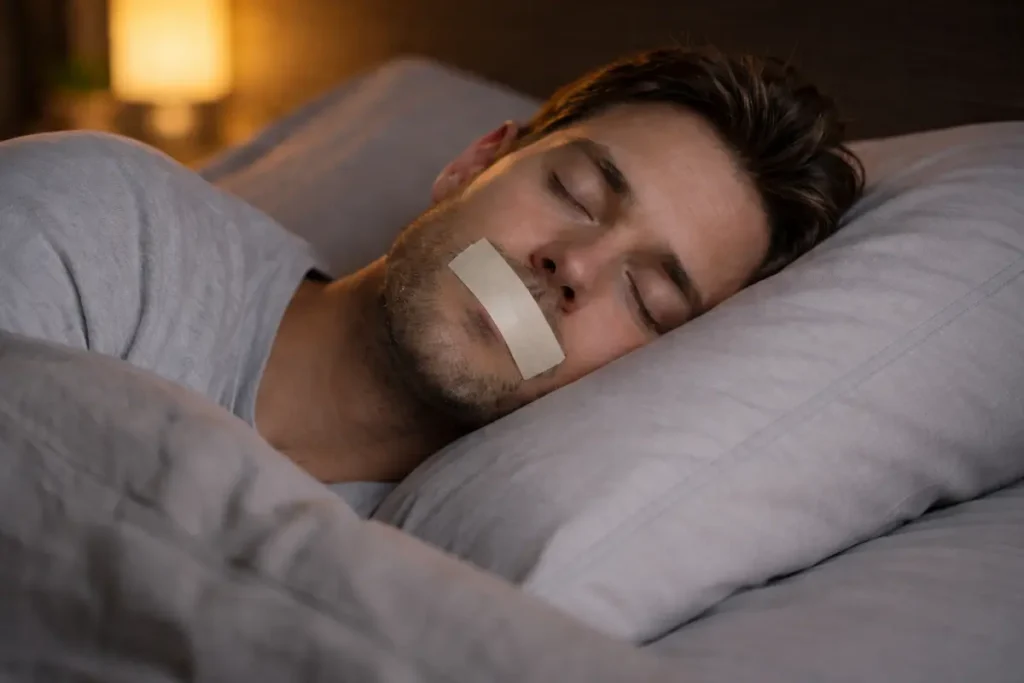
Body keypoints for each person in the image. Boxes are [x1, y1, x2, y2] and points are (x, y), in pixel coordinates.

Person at [0, 47, 863, 484]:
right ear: (474, 163)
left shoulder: (466, 568)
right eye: (575, 191)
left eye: (646, 296)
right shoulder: (107, 217)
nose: (575, 264)